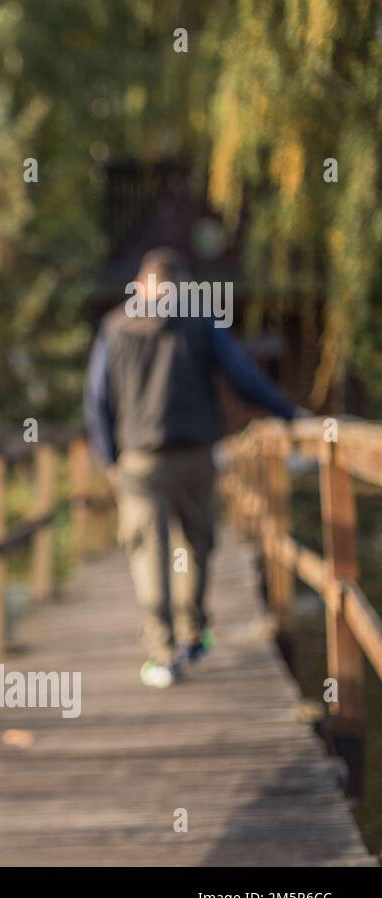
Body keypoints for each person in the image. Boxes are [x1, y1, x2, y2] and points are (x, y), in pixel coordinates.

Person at [83, 247, 310, 689]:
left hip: (140, 462)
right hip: (196, 457)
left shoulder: (114, 327)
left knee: (149, 552)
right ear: (182, 284)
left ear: (141, 286)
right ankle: (193, 632)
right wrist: (288, 413)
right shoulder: (201, 323)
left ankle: (163, 652)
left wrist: (109, 457)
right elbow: (242, 377)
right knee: (196, 546)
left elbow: (96, 399)